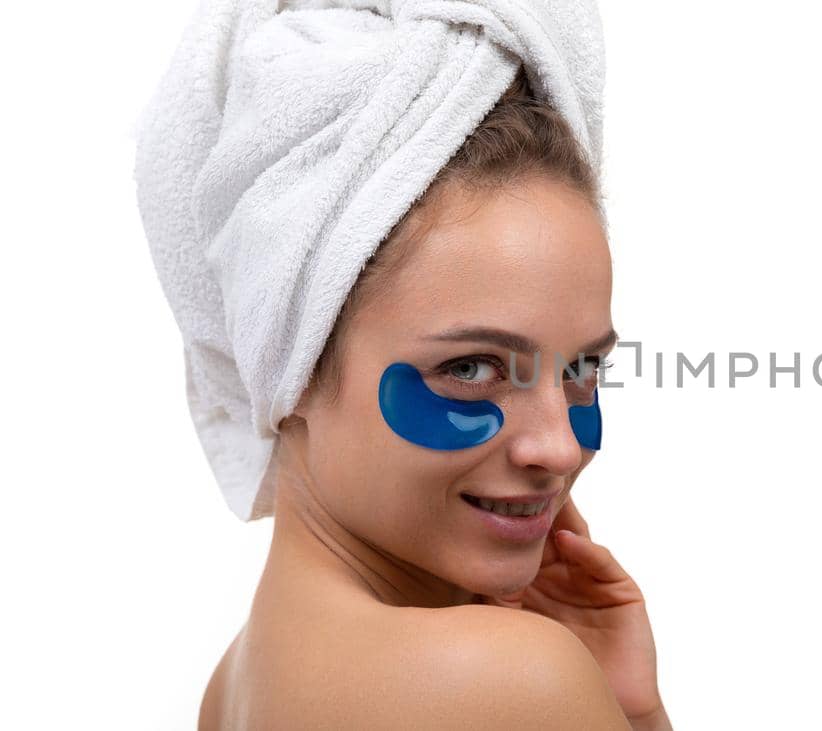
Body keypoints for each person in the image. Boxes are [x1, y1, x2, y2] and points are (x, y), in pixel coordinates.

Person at [195, 68, 671, 730]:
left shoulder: (235, 683)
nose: (561, 445)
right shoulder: (511, 681)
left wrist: (628, 708)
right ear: (293, 365)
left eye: (581, 367)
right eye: (472, 367)